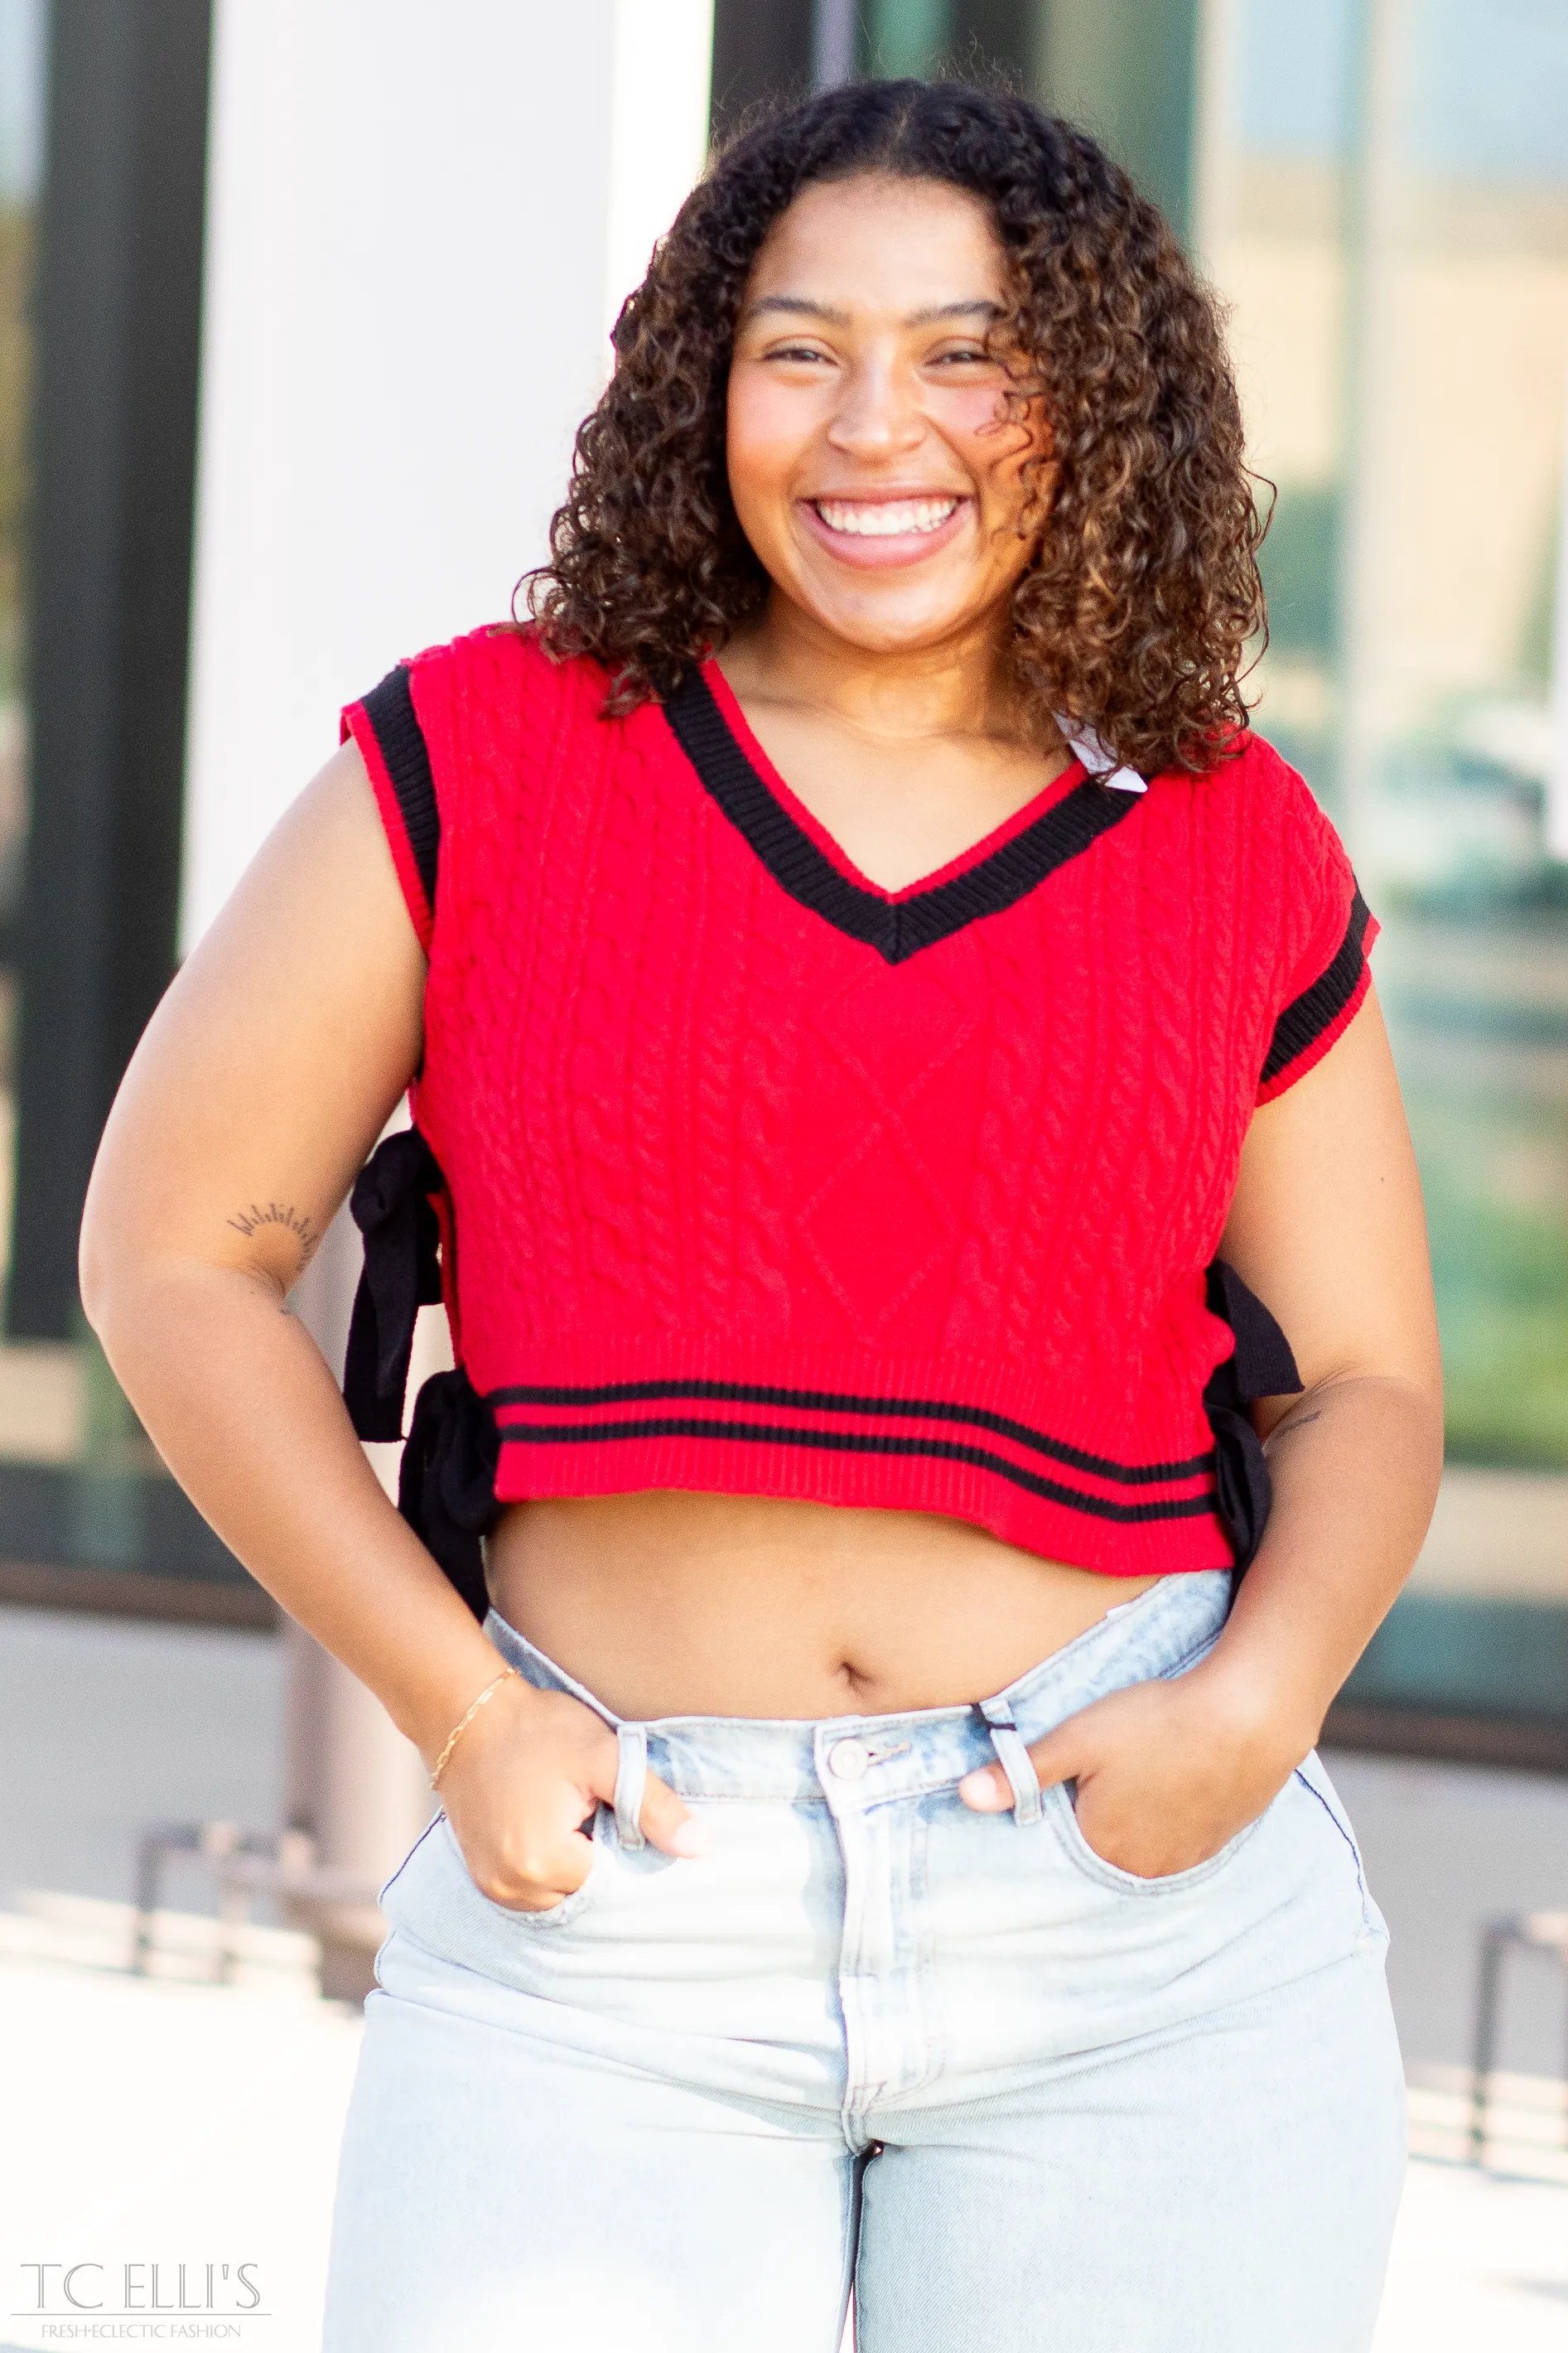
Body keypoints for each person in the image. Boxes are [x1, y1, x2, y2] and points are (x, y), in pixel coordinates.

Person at [80, 80, 1440, 2353]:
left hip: (1128, 1924)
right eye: (795, 347)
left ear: (1086, 406)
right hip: (615, 1909)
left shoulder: (1220, 837)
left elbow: (1372, 1380)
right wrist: (455, 1715)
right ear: (699, 388)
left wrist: (1256, 1704)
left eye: (964, 352)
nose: (866, 424)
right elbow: (170, 1249)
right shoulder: (483, 755)